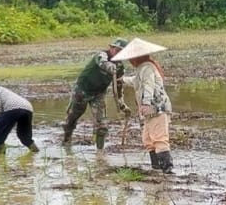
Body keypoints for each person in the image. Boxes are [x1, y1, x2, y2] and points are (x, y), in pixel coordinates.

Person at [111, 38, 173, 173]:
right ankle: (156, 167)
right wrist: (122, 80)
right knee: (148, 139)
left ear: (136, 57)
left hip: (157, 108)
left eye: (131, 58)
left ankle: (167, 168)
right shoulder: (142, 69)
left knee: (159, 138)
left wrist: (146, 103)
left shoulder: (147, 68)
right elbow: (135, 81)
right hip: (149, 111)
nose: (130, 61)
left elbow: (148, 86)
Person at [62, 38, 131, 150]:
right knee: (72, 118)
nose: (119, 53)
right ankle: (66, 141)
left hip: (99, 94)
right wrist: (110, 66)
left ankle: (100, 153)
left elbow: (118, 87)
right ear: (111, 48)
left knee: (102, 126)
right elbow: (102, 63)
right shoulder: (101, 55)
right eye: (117, 50)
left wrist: (122, 104)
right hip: (82, 90)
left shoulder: (119, 67)